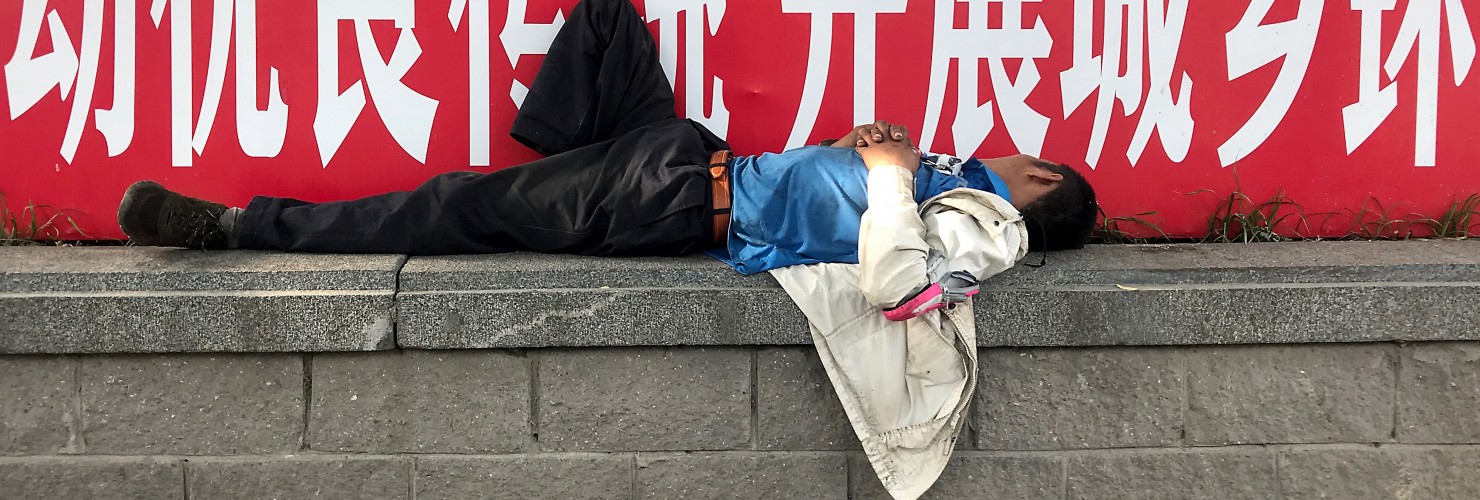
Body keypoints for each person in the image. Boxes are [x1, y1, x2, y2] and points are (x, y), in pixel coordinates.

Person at [118, 0, 1096, 276]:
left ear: (1041, 180)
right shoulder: (954, 178)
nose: (1009, 149)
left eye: (1026, 158)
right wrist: (852, 151)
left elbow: (895, 276)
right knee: (604, 21)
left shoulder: (979, 219)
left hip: (675, 200)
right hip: (687, 151)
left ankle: (240, 230)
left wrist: (882, 170)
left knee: (451, 204)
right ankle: (553, 188)